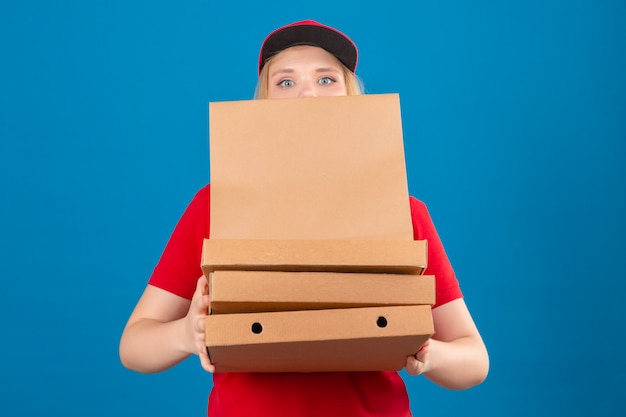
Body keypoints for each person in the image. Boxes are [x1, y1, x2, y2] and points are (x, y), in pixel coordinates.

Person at [119, 19, 489, 416]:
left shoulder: (402, 212)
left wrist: (427, 354)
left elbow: (474, 360)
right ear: (263, 104)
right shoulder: (216, 207)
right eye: (286, 82)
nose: (307, 92)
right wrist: (185, 333)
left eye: (326, 79)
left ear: (353, 97)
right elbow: (134, 347)